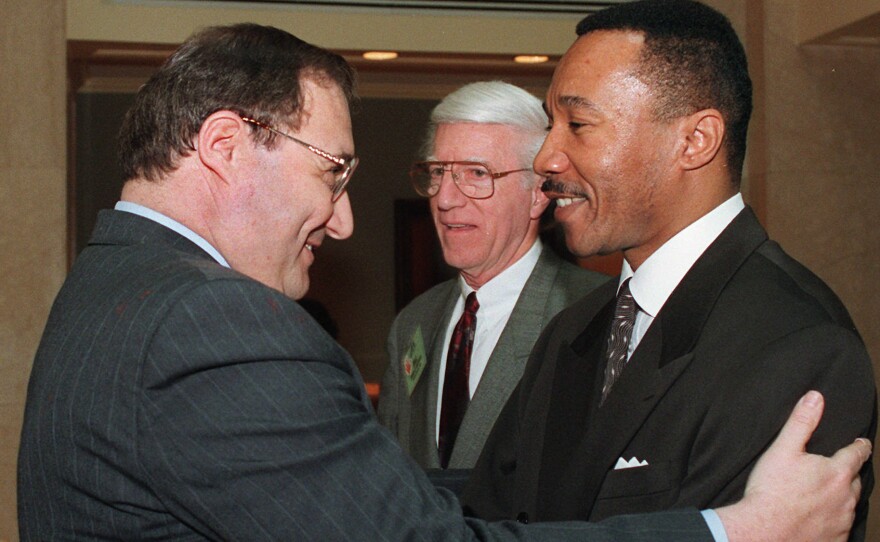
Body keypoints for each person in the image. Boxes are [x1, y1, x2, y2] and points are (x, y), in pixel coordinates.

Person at [15, 21, 870, 542]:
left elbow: (499, 490)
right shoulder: (209, 324)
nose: (345, 222)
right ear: (227, 147)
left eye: (578, 123)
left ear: (694, 139)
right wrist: (733, 534)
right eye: (335, 173)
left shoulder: (116, 288)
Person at [461, 1, 877, 540]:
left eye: (578, 124)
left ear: (695, 141)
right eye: (551, 125)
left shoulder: (797, 345)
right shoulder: (573, 331)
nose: (546, 158)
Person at [378, 81, 606, 470]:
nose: (445, 198)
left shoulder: (596, 317)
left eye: (476, 173)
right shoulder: (414, 323)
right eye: (438, 172)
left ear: (538, 194)